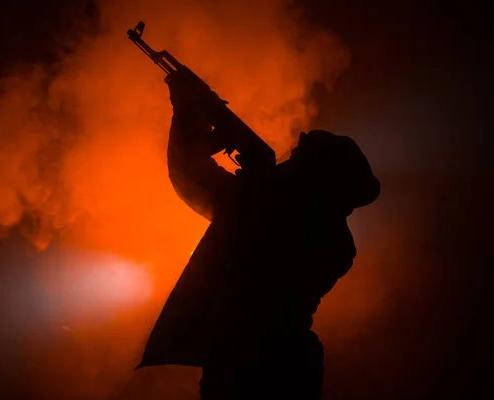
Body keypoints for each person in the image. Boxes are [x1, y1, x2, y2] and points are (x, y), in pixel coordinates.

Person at [135, 72, 381, 399]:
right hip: (282, 365)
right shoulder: (329, 236)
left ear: (317, 179)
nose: (287, 161)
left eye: (297, 160)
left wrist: (187, 114)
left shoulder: (299, 222)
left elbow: (193, 179)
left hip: (254, 368)